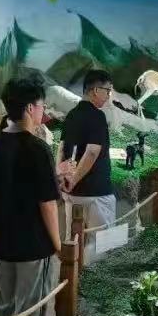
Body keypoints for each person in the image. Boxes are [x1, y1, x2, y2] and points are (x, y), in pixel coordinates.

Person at [0, 76, 62, 316]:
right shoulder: (37, 148)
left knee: (3, 303)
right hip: (33, 243)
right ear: (30, 108)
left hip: (2, 239)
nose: (43, 111)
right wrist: (58, 244)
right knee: (30, 307)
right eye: (42, 106)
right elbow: (47, 204)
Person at [59, 69, 116, 236]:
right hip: (96, 193)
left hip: (72, 194)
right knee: (100, 244)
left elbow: (61, 149)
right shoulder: (97, 116)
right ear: (96, 90)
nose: (108, 96)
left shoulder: (71, 115)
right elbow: (92, 152)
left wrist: (63, 179)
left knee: (74, 241)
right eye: (107, 91)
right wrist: (74, 180)